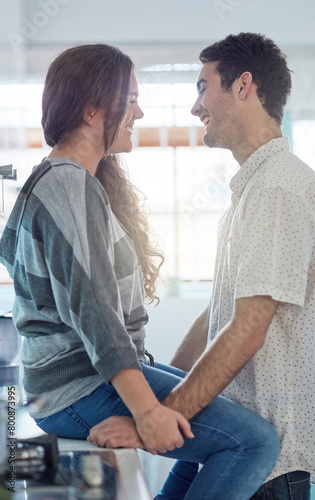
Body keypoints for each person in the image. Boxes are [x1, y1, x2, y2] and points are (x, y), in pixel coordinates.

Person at [0, 43, 280, 500]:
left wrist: (156, 406)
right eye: (130, 99)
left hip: (61, 390)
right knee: (255, 442)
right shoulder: (69, 185)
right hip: (79, 388)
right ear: (93, 109)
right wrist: (147, 412)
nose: (140, 112)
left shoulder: (54, 182)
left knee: (203, 433)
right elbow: (96, 316)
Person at [88, 34, 315, 499]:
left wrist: (154, 422)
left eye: (202, 87)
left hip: (265, 464)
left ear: (243, 86)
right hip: (225, 434)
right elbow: (222, 312)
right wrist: (153, 409)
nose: (195, 107)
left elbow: (249, 328)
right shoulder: (253, 189)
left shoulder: (278, 188)